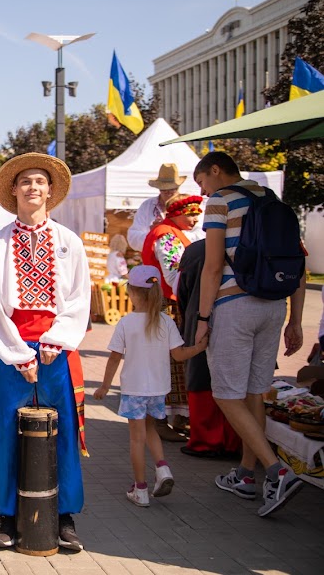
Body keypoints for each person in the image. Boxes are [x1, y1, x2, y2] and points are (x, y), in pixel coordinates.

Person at [0, 153, 90, 552]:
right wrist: (18, 353)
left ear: (50, 190)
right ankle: (7, 516)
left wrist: (55, 340)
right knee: (9, 431)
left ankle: (65, 516)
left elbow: (80, 298)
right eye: (25, 181)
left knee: (63, 433)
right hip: (12, 350)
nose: (32, 188)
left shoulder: (69, 241)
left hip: (58, 349)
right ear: (13, 189)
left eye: (39, 181)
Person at [193, 151, 305, 517]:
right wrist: (296, 320)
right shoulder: (272, 200)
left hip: (233, 305)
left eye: (202, 182)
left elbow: (212, 268)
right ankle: (245, 474)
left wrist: (203, 317)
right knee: (255, 391)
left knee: (226, 395)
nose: (203, 190)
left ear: (214, 170)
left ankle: (277, 471)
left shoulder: (220, 201)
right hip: (274, 305)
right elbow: (298, 264)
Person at [95, 265, 208, 507]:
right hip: (158, 390)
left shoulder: (126, 323)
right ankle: (163, 469)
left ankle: (141, 489)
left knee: (136, 440)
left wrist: (104, 387)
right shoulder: (166, 322)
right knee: (152, 429)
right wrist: (199, 348)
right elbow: (178, 355)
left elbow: (115, 357)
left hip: (134, 390)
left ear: (132, 293)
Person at [140, 194, 204, 440]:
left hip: (166, 303)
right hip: (166, 305)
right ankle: (159, 421)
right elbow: (174, 275)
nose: (195, 218)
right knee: (167, 362)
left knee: (172, 362)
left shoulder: (170, 233)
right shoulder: (167, 235)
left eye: (197, 213)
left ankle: (178, 416)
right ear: (175, 213)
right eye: (190, 213)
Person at [176, 240, 241, 458]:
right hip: (243, 321)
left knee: (201, 374)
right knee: (237, 380)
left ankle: (206, 441)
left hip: (200, 317)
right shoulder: (251, 243)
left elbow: (182, 290)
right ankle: (236, 441)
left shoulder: (196, 250)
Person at [127, 164, 203, 251]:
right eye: (163, 188)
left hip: (185, 259)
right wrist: (153, 234)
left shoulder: (190, 205)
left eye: (172, 188)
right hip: (153, 261)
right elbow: (133, 238)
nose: (168, 192)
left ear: (178, 187)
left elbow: (202, 234)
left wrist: (170, 234)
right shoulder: (147, 206)